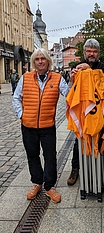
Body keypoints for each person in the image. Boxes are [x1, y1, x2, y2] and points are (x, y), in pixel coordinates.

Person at [12, 48, 70, 203]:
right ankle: (37, 182)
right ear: (33, 62)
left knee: (50, 156)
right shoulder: (25, 78)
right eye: (37, 59)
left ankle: (49, 186)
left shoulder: (57, 79)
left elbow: (69, 94)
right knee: (32, 155)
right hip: (28, 126)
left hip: (47, 126)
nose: (40, 62)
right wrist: (21, 115)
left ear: (48, 61)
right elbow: (16, 98)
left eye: (42, 59)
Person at [67, 38, 104, 186]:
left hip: (97, 110)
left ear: (98, 53)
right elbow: (71, 90)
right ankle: (75, 169)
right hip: (82, 110)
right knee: (79, 140)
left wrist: (89, 71)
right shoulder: (76, 66)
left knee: (98, 139)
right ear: (84, 52)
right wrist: (72, 79)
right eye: (89, 51)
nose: (92, 54)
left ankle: (97, 169)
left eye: (94, 51)